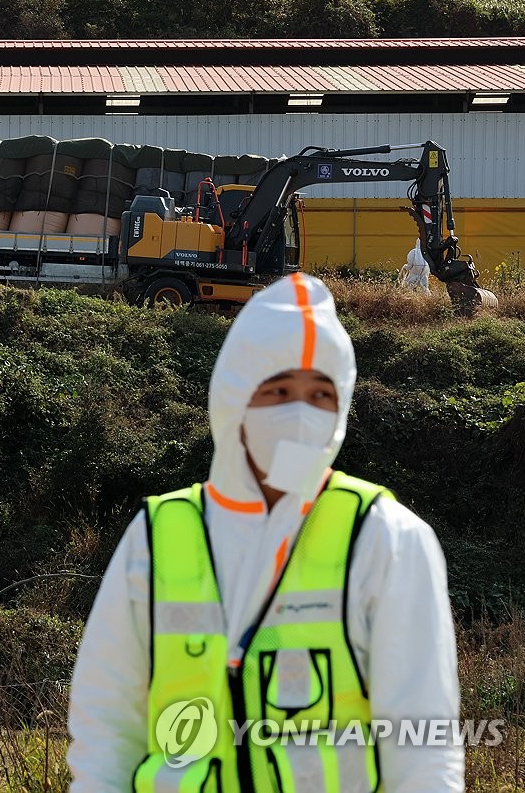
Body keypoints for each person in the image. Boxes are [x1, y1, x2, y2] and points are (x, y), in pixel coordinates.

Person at [67, 273, 461, 792]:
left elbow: (424, 757)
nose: (299, 413)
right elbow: (105, 732)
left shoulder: (387, 539)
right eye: (278, 389)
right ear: (236, 399)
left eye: (320, 393)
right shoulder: (156, 538)